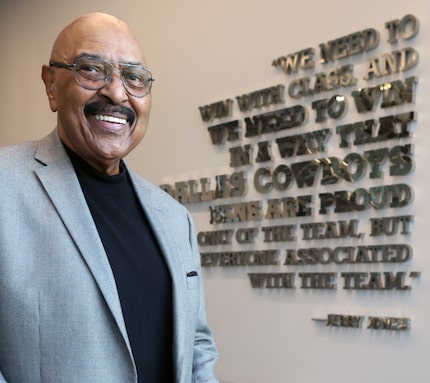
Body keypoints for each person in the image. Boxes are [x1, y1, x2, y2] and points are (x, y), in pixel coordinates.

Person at [0, 12, 219, 383]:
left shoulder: (174, 217)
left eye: (134, 78)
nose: (117, 93)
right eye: (91, 69)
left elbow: (196, 346)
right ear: (51, 85)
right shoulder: (5, 187)